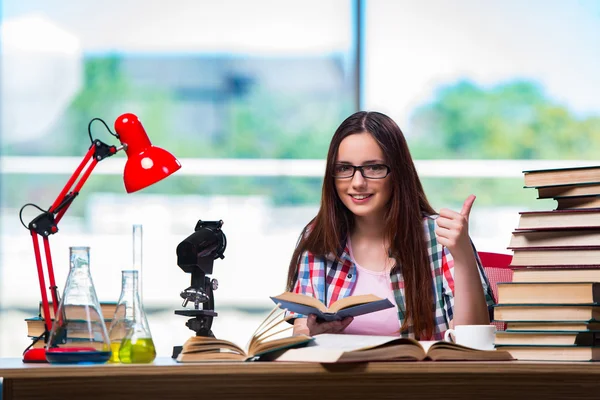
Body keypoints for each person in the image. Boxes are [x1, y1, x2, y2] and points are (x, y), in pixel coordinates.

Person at [286, 111, 495, 340]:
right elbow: (301, 331)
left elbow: (472, 342)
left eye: (374, 168)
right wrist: (312, 335)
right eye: (344, 168)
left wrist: (463, 253)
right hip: (341, 375)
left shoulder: (440, 237)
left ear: (398, 172)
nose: (357, 183)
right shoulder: (318, 237)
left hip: (420, 375)